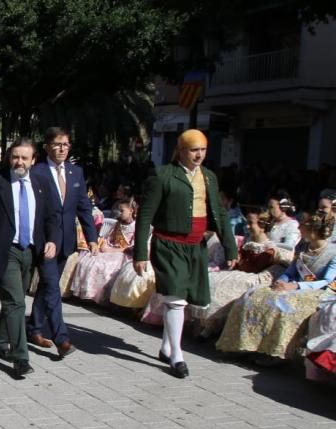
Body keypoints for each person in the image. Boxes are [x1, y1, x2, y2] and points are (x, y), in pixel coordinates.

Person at [134, 129, 237, 379]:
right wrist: (140, 253)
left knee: (185, 300)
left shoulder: (210, 177)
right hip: (168, 244)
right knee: (176, 299)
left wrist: (230, 246)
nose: (199, 154)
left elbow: (220, 214)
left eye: (202, 149)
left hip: (196, 247)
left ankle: (167, 346)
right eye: (193, 149)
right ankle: (177, 356)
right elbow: (145, 215)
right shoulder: (162, 175)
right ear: (180, 150)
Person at [0, 138, 59, 377]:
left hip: (31, 251)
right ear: (9, 158)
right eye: (15, 157)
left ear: (33, 160)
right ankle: (20, 356)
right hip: (6, 251)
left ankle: (1, 339)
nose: (19, 162)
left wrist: (52, 240)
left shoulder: (42, 183)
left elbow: (51, 217)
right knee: (16, 303)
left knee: (15, 300)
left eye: (24, 158)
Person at [217, 212, 336, 361]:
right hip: (289, 286)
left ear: (313, 230)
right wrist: (281, 281)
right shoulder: (303, 246)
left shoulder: (332, 253)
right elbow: (292, 269)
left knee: (283, 307)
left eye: (304, 226)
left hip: (316, 292)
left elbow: (326, 281)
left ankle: (275, 354)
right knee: (253, 296)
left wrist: (296, 286)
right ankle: (244, 345)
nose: (300, 228)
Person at [27, 127, 98, 358]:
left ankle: (33, 327)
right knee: (52, 288)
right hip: (44, 241)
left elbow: (83, 208)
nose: (62, 149)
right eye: (57, 144)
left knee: (48, 286)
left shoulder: (75, 173)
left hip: (67, 241)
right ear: (47, 147)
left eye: (66, 144)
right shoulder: (36, 172)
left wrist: (92, 238)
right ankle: (62, 338)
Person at [198, 207, 287, 339]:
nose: (248, 226)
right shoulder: (248, 241)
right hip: (240, 272)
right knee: (214, 280)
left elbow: (262, 266)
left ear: (262, 226)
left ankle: (215, 327)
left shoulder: (269, 248)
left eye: (251, 223)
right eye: (248, 223)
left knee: (227, 285)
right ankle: (209, 325)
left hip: (254, 277)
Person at [69, 198, 137, 305]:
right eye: (118, 210)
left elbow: (132, 247)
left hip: (122, 254)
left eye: (122, 211)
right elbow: (107, 238)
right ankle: (85, 293)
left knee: (103, 265)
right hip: (109, 249)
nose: (119, 213)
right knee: (88, 259)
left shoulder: (136, 227)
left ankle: (98, 296)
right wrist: (104, 245)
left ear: (131, 211)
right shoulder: (117, 224)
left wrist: (115, 250)